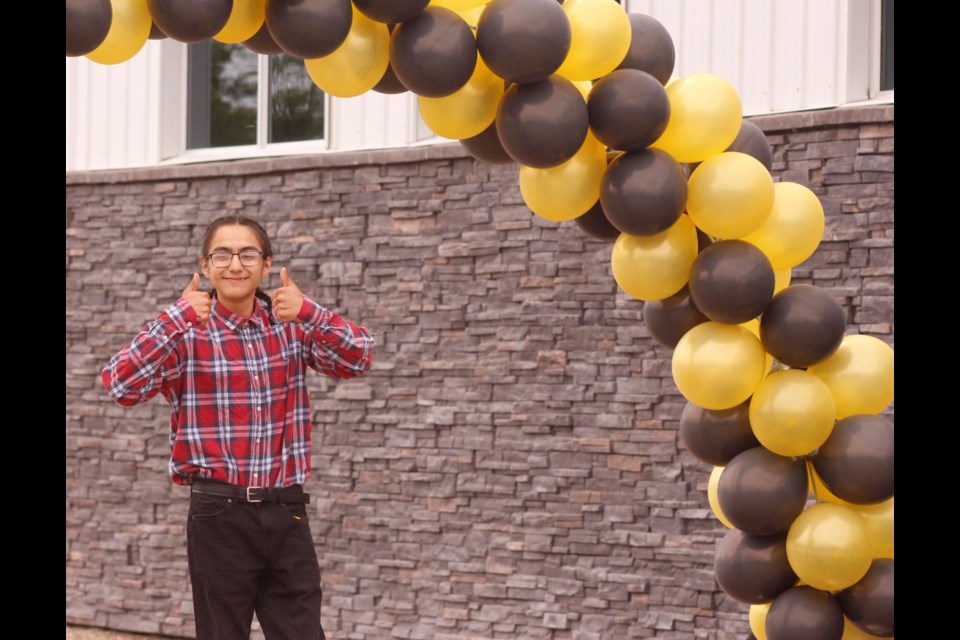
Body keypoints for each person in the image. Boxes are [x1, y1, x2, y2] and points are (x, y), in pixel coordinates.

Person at [102, 216, 374, 640]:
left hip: (287, 510)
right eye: (222, 255)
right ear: (205, 266)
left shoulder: (290, 329)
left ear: (266, 264)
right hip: (218, 512)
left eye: (247, 254)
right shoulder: (186, 334)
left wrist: (310, 312)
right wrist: (174, 317)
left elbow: (359, 358)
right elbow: (120, 384)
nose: (235, 265)